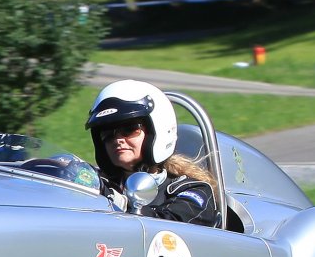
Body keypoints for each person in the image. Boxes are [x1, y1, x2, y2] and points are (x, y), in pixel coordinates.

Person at [85, 80, 218, 226]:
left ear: (156, 130)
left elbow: (170, 226)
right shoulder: (96, 183)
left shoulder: (193, 191)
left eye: (130, 129)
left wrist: (117, 202)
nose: (118, 140)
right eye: (107, 133)